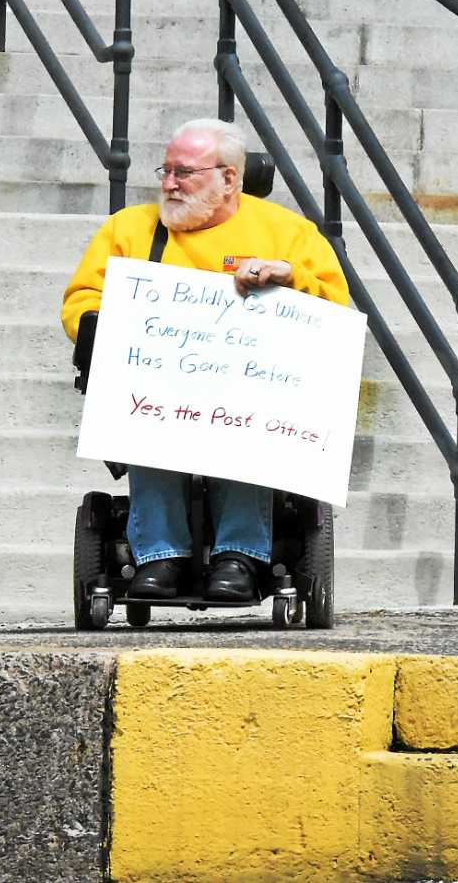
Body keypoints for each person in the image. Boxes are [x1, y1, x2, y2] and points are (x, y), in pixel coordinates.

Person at [59, 118, 351, 603]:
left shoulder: (286, 233)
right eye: (166, 171)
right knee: (147, 420)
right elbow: (82, 297)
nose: (169, 184)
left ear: (229, 179)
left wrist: (291, 277)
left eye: (184, 173)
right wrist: (98, 323)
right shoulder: (130, 229)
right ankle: (158, 555)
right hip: (157, 383)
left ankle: (239, 555)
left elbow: (335, 312)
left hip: (251, 387)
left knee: (241, 423)